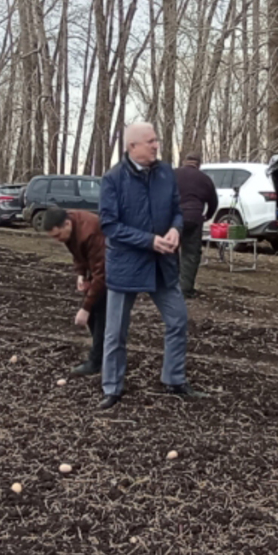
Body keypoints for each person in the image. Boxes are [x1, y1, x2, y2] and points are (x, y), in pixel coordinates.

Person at [98, 122, 205, 409]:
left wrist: (175, 230)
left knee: (178, 319)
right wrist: (149, 241)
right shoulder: (113, 179)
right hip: (126, 265)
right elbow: (109, 225)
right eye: (150, 141)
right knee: (116, 331)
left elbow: (177, 212)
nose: (157, 145)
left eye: (156, 140)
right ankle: (112, 387)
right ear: (132, 147)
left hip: (163, 265)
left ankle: (174, 379)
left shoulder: (166, 173)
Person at [42, 207, 107, 377]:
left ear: (67, 224)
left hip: (115, 270)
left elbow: (102, 274)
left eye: (57, 235)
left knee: (99, 312)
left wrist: (85, 308)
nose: (58, 240)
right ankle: (101, 355)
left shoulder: (91, 231)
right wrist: (81, 274)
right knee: (95, 314)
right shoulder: (70, 230)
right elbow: (77, 254)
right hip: (97, 269)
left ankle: (97, 361)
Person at [175, 152, 219, 299]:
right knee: (191, 253)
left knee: (169, 249)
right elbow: (213, 202)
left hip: (174, 218)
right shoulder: (205, 179)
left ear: (184, 161)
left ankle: (168, 286)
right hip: (194, 217)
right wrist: (207, 216)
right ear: (199, 164)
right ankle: (186, 289)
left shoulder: (173, 175)